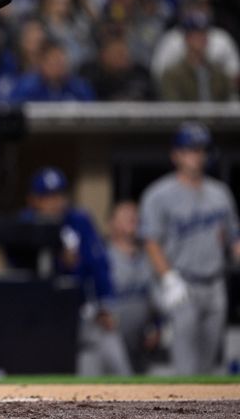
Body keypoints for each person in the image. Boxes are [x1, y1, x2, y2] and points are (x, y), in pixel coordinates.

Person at [138, 122, 240, 374]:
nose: (196, 156)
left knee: (209, 364)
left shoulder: (220, 193)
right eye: (190, 150)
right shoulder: (159, 194)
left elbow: (233, 239)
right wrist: (169, 279)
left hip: (215, 284)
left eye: (200, 150)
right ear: (176, 155)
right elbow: (151, 241)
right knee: (185, 365)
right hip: (182, 283)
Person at [22, 167, 131, 376]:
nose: (55, 202)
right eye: (47, 197)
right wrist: (58, 258)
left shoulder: (78, 220)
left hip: (82, 313)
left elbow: (98, 264)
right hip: (41, 318)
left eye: (59, 195)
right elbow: (21, 269)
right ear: (34, 199)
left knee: (113, 361)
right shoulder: (26, 224)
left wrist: (105, 303)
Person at [105, 201, 158, 373]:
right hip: (112, 331)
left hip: (142, 335)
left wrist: (155, 325)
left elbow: (154, 296)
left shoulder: (148, 255)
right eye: (126, 217)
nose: (133, 220)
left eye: (135, 217)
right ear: (111, 222)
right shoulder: (102, 255)